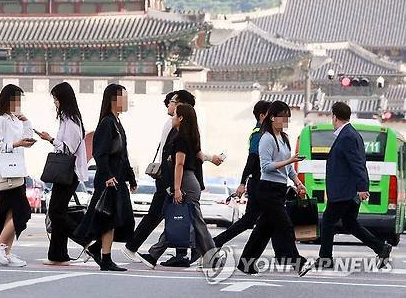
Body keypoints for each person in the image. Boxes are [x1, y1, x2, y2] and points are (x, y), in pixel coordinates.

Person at [126, 90, 224, 268]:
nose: (171, 115)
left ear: (180, 117)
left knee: (183, 219)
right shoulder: (190, 134)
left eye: (175, 110)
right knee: (187, 220)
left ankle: (156, 254)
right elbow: (197, 155)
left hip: (184, 182)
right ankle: (206, 256)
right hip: (190, 182)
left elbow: (179, 165)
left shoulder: (179, 138)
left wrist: (176, 188)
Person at [302, 102, 391, 273]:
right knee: (350, 224)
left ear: (334, 116)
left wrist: (363, 186)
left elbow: (357, 163)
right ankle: (381, 248)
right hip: (349, 190)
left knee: (327, 221)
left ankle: (326, 258)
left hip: (345, 191)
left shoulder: (347, 136)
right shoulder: (350, 134)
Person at [237, 101, 310, 276]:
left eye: (287, 118)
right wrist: (289, 160)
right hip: (267, 189)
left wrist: (298, 183)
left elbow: (289, 168)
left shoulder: (283, 138)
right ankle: (297, 262)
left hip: (279, 189)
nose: (285, 121)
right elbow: (266, 167)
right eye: (282, 117)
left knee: (263, 229)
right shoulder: (266, 138)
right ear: (272, 118)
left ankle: (245, 263)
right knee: (285, 226)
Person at [213, 100, 288, 259]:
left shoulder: (269, 133)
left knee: (265, 221)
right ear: (263, 115)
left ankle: (218, 243)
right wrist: (242, 182)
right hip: (260, 183)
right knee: (267, 220)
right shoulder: (260, 134)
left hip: (264, 183)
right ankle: (215, 243)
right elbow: (252, 160)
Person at [74, 83, 137, 271]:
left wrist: (131, 177)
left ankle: (95, 249)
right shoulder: (107, 123)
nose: (127, 101)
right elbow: (100, 153)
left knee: (121, 218)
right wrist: (108, 176)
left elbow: (123, 154)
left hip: (118, 178)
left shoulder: (117, 123)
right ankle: (105, 258)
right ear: (114, 99)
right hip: (109, 179)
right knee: (110, 219)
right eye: (124, 97)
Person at [37, 82, 89, 265]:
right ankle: (57, 254)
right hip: (65, 173)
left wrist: (50, 139)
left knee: (56, 212)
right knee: (58, 211)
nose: (55, 103)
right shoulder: (67, 119)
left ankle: (86, 240)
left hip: (69, 172)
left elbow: (68, 149)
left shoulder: (72, 121)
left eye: (56, 99)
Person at [0, 84, 34, 267]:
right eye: (16, 100)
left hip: (17, 171)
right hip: (4, 173)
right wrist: (15, 144)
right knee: (23, 212)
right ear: (8, 100)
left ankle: (7, 251)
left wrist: (26, 123)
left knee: (11, 214)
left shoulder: (14, 120)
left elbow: (25, 138)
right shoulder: (0, 121)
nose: (18, 104)